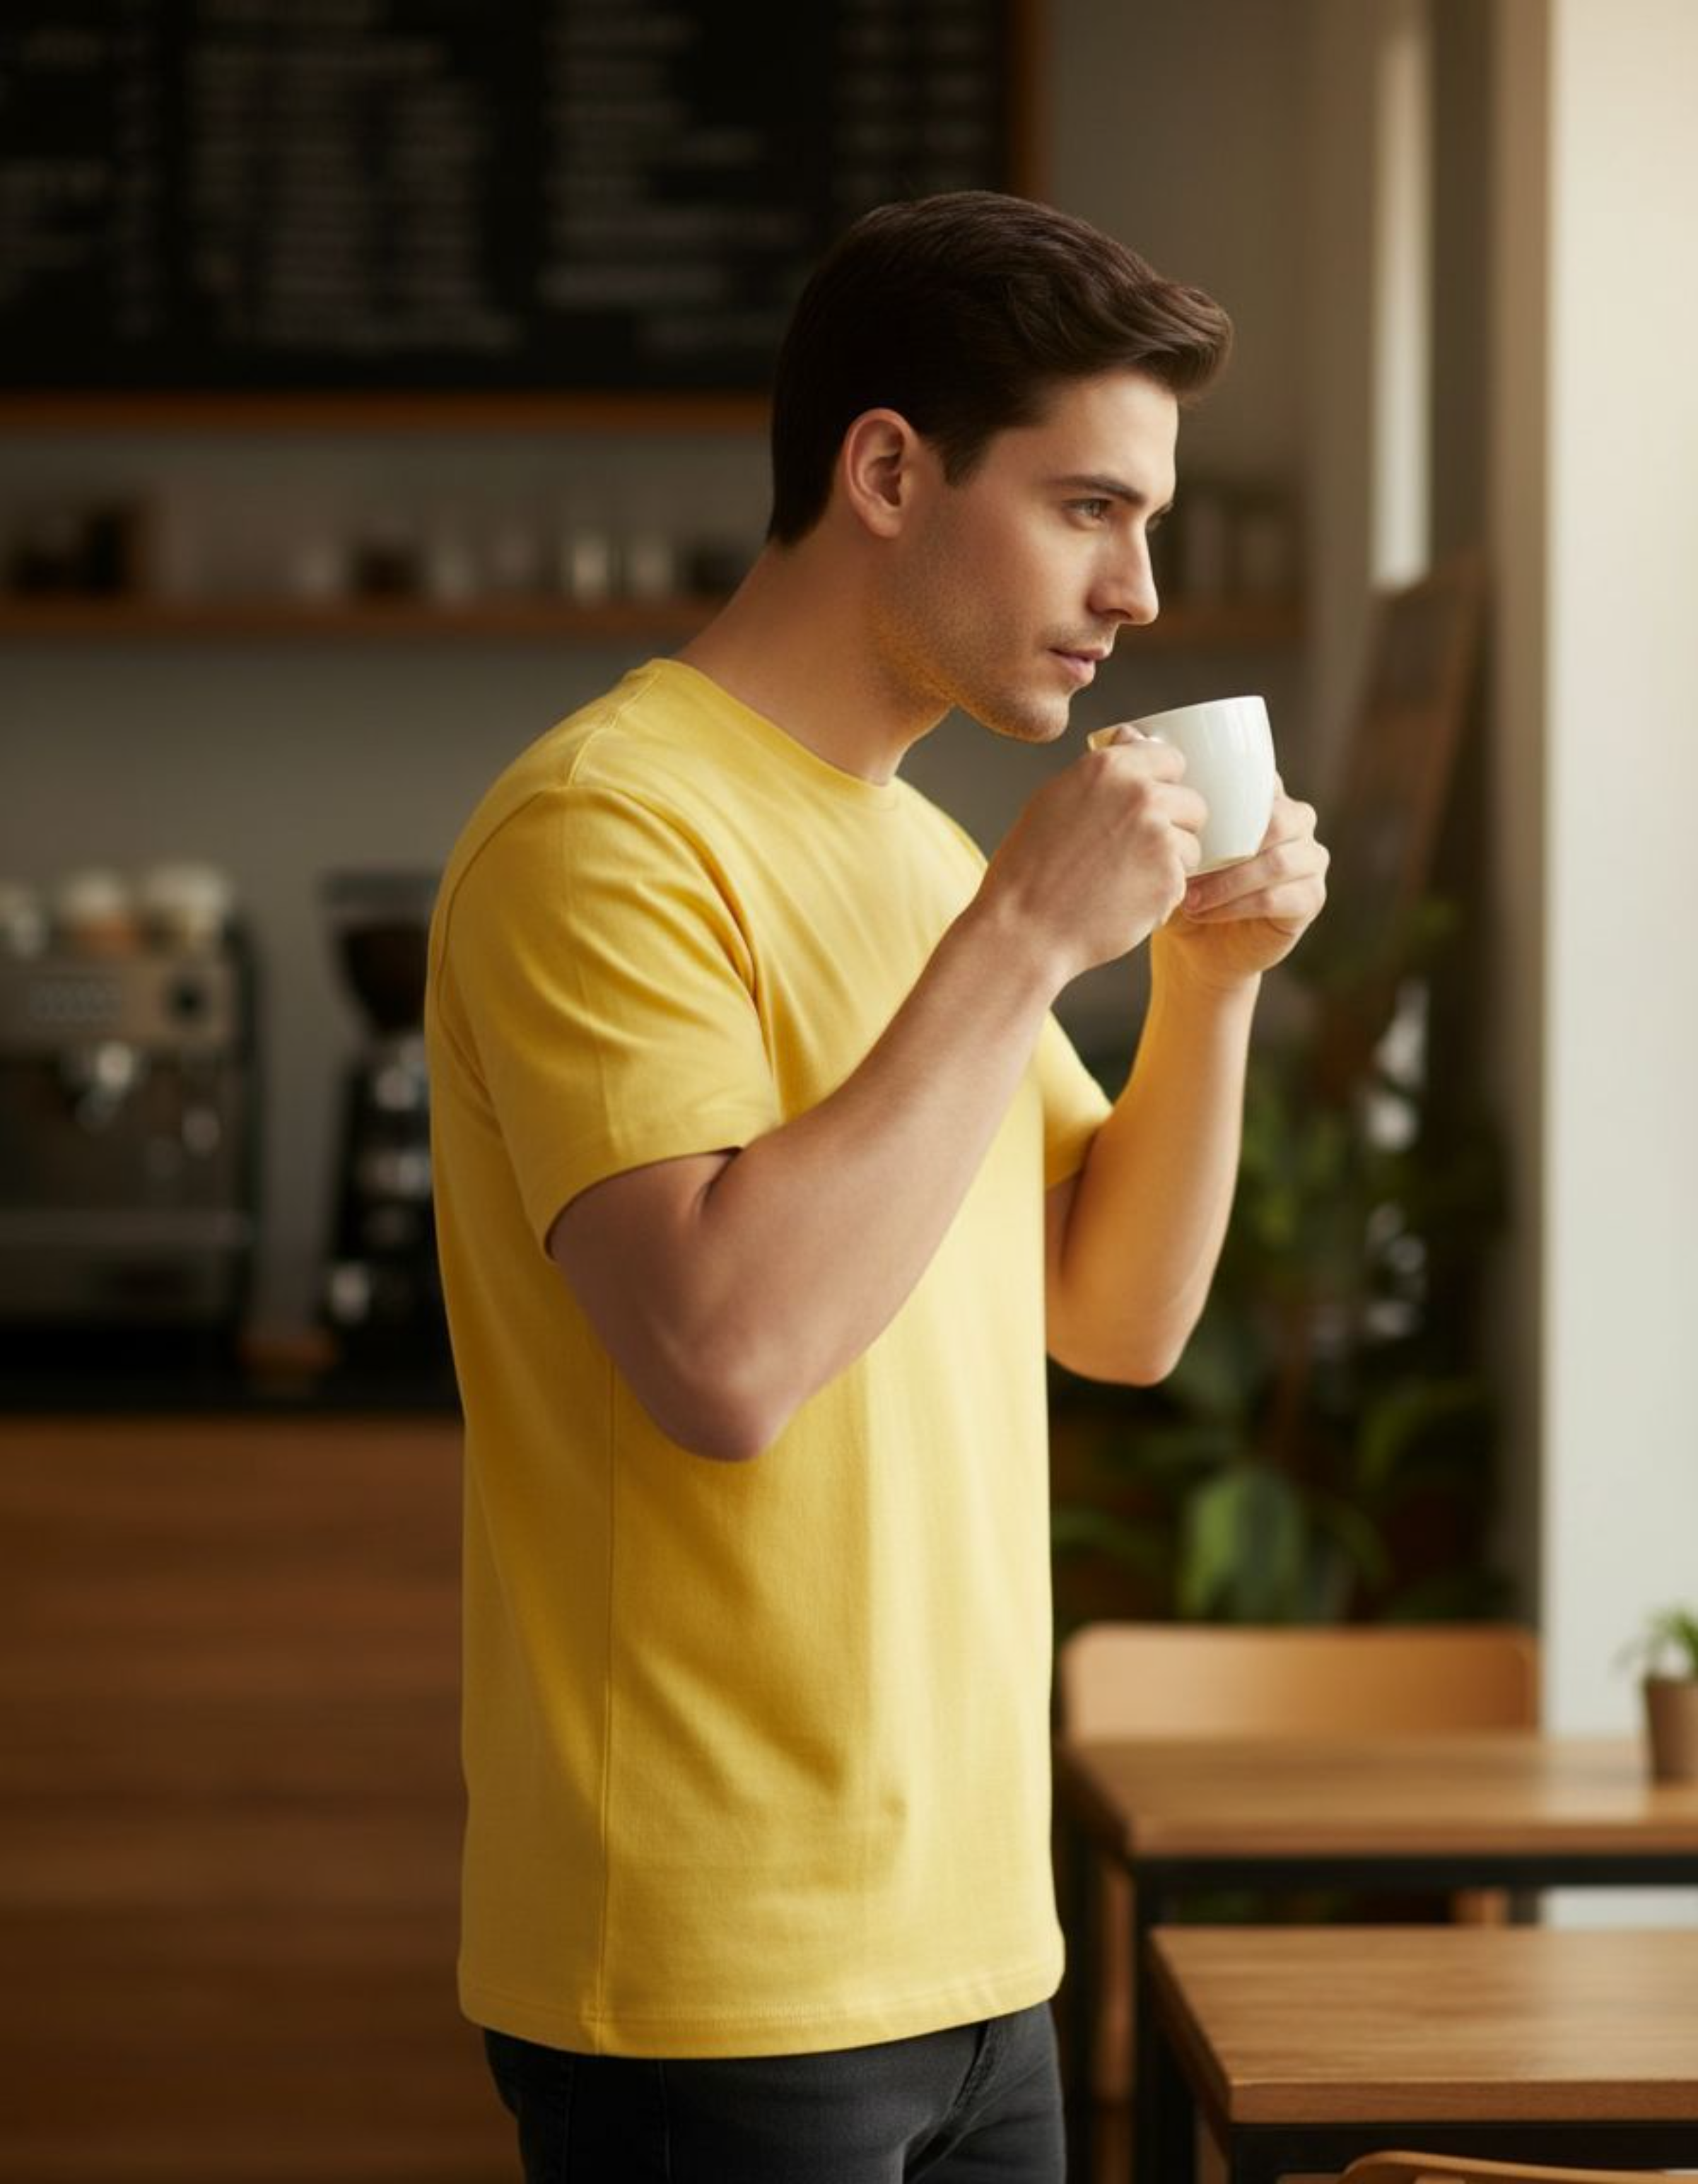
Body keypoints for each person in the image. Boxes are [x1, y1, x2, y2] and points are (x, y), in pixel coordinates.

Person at [424, 189, 1328, 2182]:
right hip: (708, 1971)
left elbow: (1115, 1312)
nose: (1143, 591)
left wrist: (1206, 980)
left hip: (979, 1957)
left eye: (1149, 522)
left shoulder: (920, 855)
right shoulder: (609, 830)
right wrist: (1022, 940)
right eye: (1092, 508)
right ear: (892, 472)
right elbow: (725, 1358)